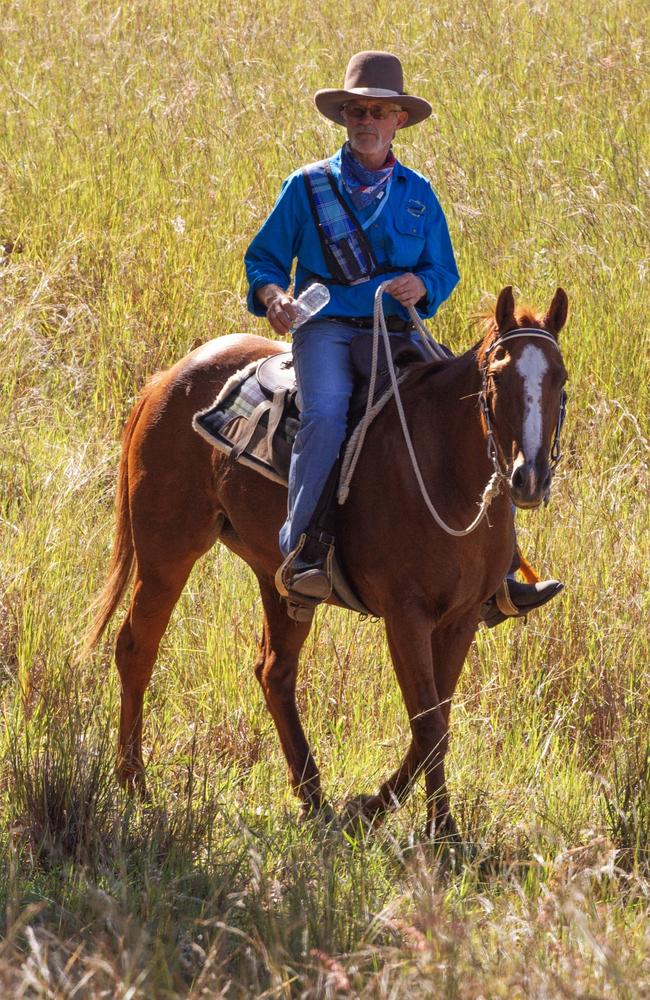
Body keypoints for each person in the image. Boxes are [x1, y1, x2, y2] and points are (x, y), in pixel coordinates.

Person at [245, 51, 561, 624]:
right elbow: (264, 261)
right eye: (358, 111)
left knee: (476, 404)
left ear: (399, 122)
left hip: (398, 330)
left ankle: (504, 570)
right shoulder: (307, 187)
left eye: (380, 112)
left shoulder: (420, 193)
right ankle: (302, 548)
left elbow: (446, 270)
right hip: (327, 332)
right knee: (326, 413)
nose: (367, 121)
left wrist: (425, 284)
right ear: (345, 118)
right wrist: (274, 299)